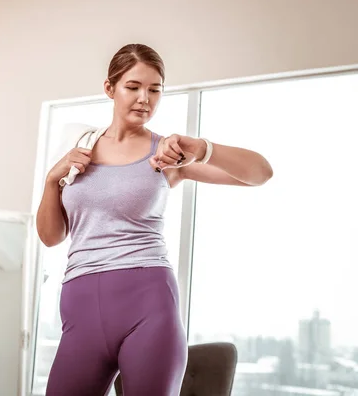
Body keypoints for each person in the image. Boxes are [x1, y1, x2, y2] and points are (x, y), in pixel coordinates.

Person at [36, 43, 273, 396]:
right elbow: (51, 237)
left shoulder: (168, 155)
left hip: (148, 305)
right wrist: (52, 180)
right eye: (133, 87)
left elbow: (260, 173)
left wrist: (201, 148)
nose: (144, 98)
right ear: (109, 89)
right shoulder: (77, 149)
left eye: (154, 89)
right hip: (80, 307)